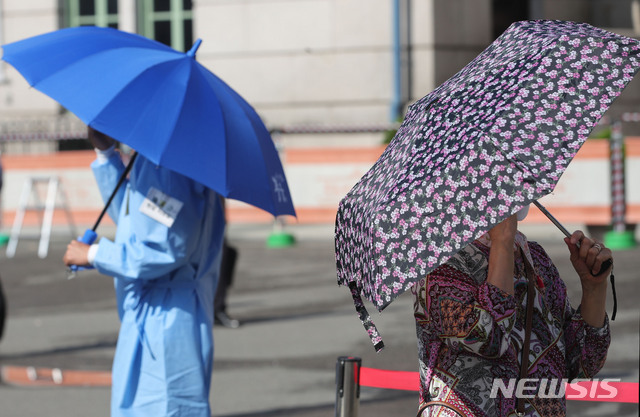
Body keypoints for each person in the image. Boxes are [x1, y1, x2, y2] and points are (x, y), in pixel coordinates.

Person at [63, 127, 225, 417]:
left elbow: (165, 248)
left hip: (166, 318)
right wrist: (106, 155)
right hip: (162, 311)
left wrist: (95, 254)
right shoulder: (167, 158)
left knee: (165, 404)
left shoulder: (168, 166)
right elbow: (136, 222)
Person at [412, 205, 612, 416]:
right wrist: (502, 244)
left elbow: (581, 363)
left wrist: (594, 287)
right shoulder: (436, 265)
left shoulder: (534, 257)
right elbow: (489, 339)